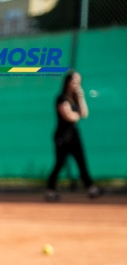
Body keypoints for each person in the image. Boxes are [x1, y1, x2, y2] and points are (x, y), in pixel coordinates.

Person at [46, 70, 102, 201]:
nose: (76, 84)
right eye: (74, 81)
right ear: (67, 82)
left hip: (74, 136)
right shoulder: (61, 98)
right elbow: (69, 116)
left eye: (78, 81)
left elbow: (84, 114)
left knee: (82, 162)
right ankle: (50, 190)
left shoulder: (75, 99)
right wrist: (76, 115)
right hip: (62, 137)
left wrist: (81, 97)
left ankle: (91, 188)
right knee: (60, 163)